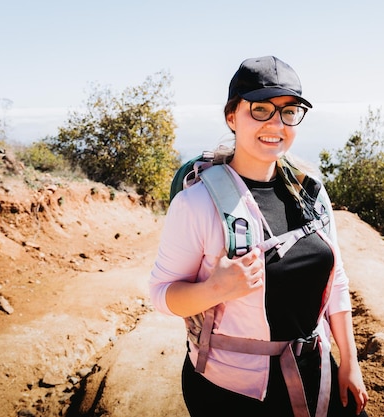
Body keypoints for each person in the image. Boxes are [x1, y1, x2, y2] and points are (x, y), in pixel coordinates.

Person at [149, 55, 369, 417]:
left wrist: (350, 359)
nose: (276, 123)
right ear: (232, 116)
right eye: (261, 109)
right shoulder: (197, 203)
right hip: (232, 392)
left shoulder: (309, 192)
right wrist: (214, 290)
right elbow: (161, 294)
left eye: (288, 111)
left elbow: (337, 279)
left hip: (317, 373)